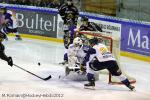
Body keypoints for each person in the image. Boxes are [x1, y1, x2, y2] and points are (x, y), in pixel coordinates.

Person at [58, 0, 79, 64]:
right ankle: (66, 58)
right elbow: (60, 11)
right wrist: (64, 18)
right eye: (68, 1)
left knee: (72, 40)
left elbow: (77, 15)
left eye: (70, 1)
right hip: (66, 25)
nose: (69, 2)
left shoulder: (74, 8)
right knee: (66, 40)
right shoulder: (63, 7)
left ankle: (72, 58)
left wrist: (74, 23)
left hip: (73, 26)